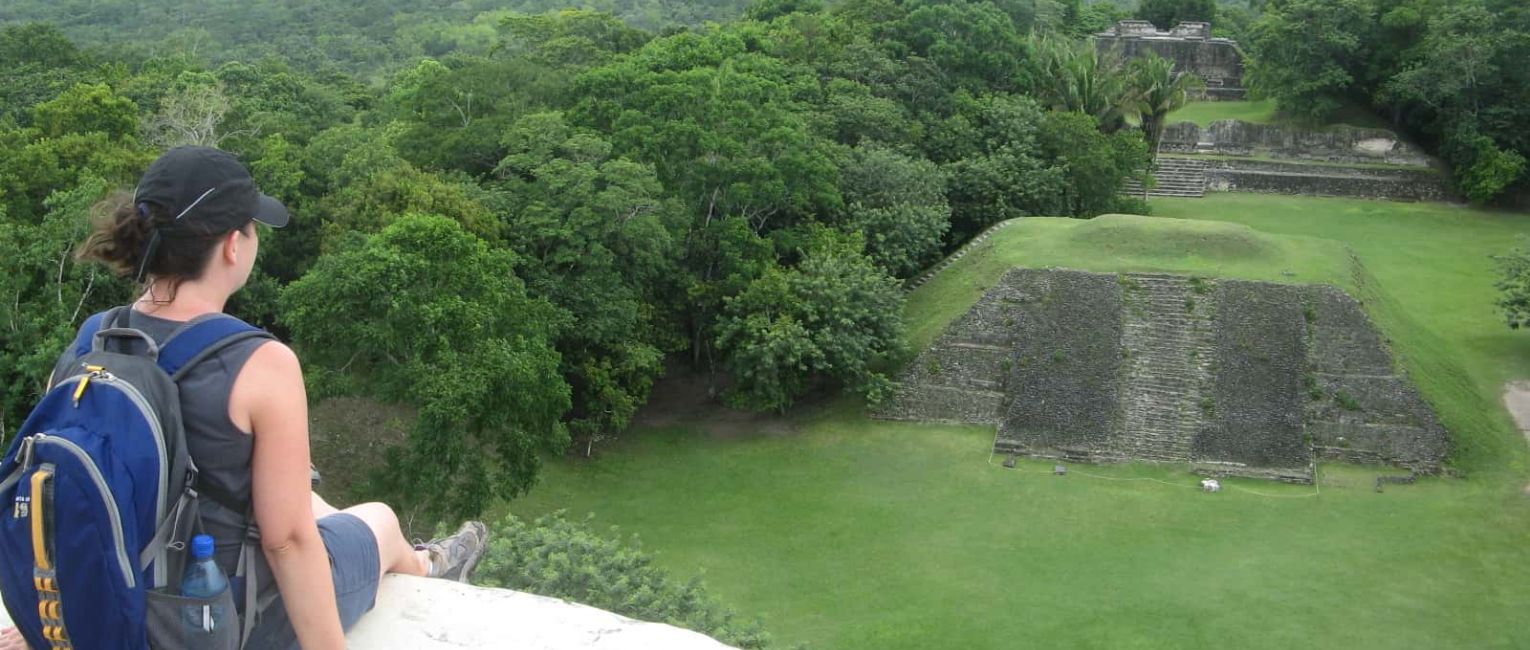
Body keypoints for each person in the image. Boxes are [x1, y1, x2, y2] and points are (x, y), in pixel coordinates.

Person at [32, 146, 487, 650]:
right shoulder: (259, 362)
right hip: (221, 617)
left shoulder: (96, 337)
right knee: (377, 519)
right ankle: (429, 563)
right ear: (233, 245)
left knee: (307, 500)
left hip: (110, 599)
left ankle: (427, 557)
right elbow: (287, 542)